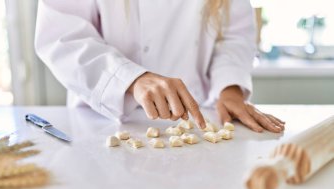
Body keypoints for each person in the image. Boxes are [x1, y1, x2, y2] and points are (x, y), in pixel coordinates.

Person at [35, 0, 285, 132]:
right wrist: (130, 79)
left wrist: (229, 88)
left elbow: (234, 35)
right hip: (104, 121)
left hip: (201, 120)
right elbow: (63, 36)